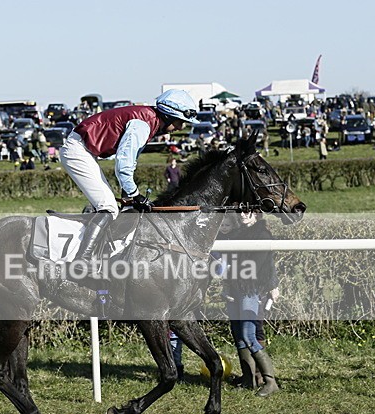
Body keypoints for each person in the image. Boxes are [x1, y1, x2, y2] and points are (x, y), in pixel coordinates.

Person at [59, 89, 200, 263]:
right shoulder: (143, 124)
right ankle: (82, 260)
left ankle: (99, 256)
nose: (181, 127)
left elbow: (130, 164)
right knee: (108, 207)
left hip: (84, 150)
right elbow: (123, 165)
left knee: (112, 207)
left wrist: (130, 196)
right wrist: (135, 194)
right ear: (169, 116)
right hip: (78, 150)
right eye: (180, 122)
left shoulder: (148, 120)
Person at [217, 212, 280, 397]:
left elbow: (266, 265)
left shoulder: (262, 235)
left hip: (250, 290)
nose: (244, 214)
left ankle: (270, 382)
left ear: (257, 215)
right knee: (238, 335)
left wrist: (272, 286)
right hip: (234, 288)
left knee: (249, 335)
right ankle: (248, 379)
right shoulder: (236, 233)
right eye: (242, 211)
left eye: (249, 211)